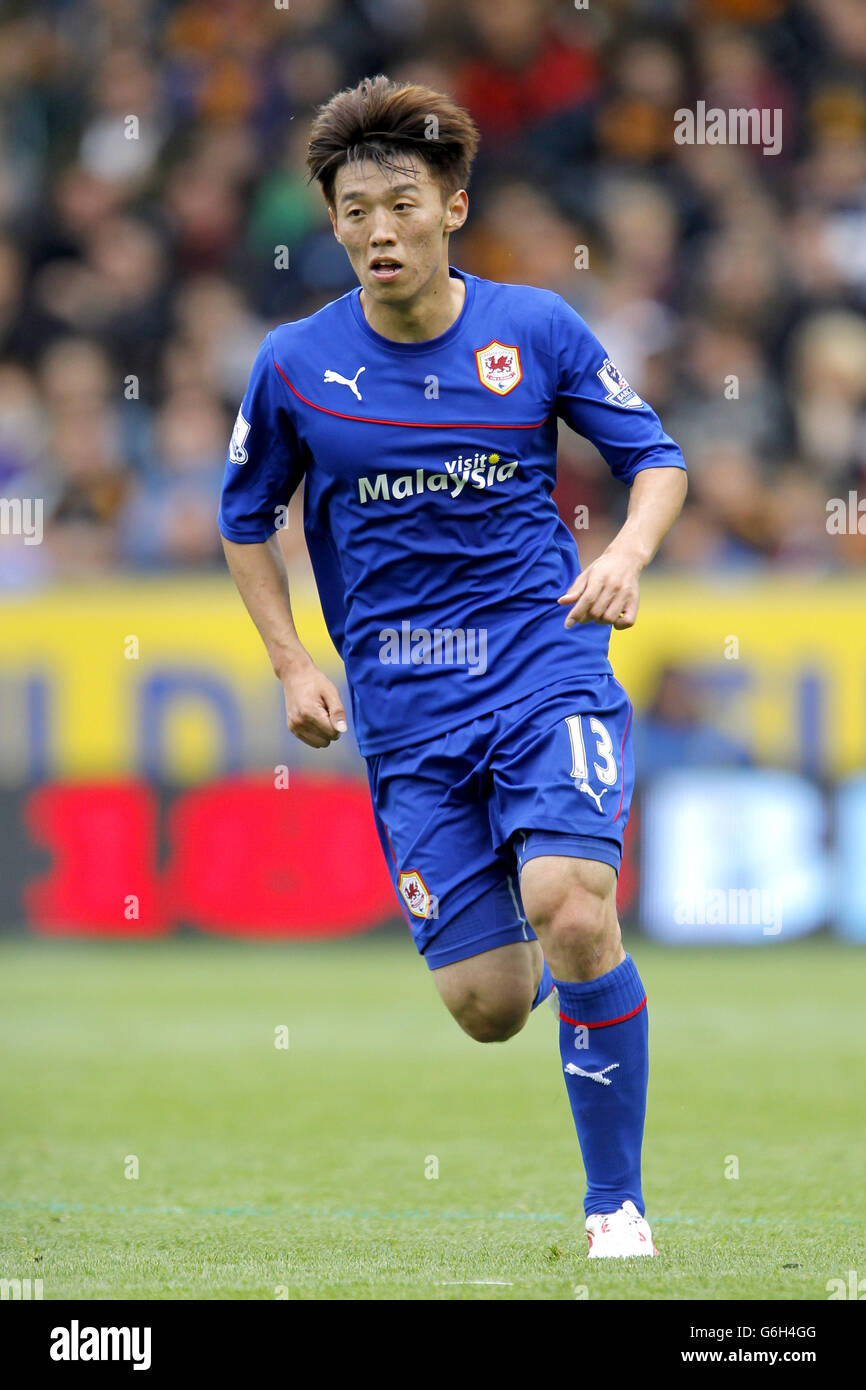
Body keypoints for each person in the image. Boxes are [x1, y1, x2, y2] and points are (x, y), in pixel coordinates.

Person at [218, 76, 687, 1259]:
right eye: (355, 209)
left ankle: (613, 1206)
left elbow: (656, 458)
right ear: (330, 223)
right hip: (405, 704)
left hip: (544, 665)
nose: (380, 230)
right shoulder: (291, 365)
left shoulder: (535, 329)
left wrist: (626, 553)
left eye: (402, 205)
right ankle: (555, 964)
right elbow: (244, 518)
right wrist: (290, 666)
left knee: (572, 909)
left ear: (452, 206)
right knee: (486, 1007)